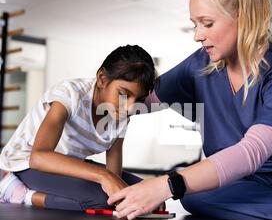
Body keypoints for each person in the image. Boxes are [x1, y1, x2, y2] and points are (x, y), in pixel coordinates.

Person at [108, 0, 272, 220]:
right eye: (195, 24)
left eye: (207, 23)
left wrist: (166, 185)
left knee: (185, 186)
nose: (198, 35)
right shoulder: (201, 65)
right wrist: (78, 102)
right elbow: (139, 101)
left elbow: (252, 152)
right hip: (245, 187)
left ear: (243, 17)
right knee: (195, 195)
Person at [0, 45, 156, 211]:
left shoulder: (121, 114)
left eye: (138, 99)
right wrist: (104, 177)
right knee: (100, 200)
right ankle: (18, 193)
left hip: (71, 164)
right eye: (123, 94)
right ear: (102, 78)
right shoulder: (69, 94)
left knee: (148, 194)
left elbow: (114, 162)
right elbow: (39, 157)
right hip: (26, 164)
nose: (129, 107)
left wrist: (119, 195)